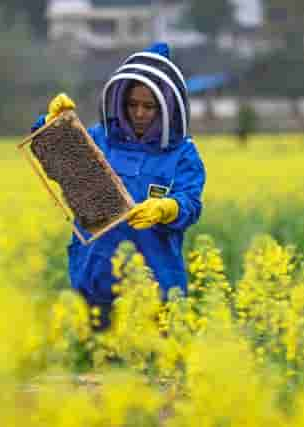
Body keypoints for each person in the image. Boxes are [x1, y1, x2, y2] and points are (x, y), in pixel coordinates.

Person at [32, 42, 206, 329]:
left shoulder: (183, 154)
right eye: (132, 104)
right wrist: (50, 125)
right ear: (120, 102)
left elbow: (191, 202)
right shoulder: (100, 139)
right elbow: (61, 163)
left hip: (157, 289)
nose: (139, 113)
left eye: (148, 106)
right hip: (95, 286)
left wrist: (169, 208)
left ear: (167, 106)